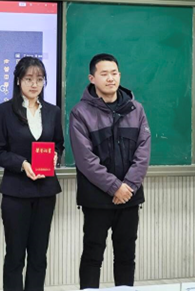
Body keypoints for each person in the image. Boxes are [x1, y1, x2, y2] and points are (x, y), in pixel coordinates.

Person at [68, 53, 151, 289]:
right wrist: (115, 187)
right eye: (104, 74)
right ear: (92, 78)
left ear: (120, 75)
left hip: (129, 197)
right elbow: (85, 159)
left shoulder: (136, 109)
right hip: (97, 198)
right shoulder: (80, 113)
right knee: (92, 255)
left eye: (114, 73)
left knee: (126, 255)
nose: (110, 78)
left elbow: (143, 151)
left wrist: (129, 187)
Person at [0, 56, 64, 291]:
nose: (34, 84)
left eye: (39, 79)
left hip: (45, 192)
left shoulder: (53, 112)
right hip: (16, 193)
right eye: (29, 79)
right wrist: (22, 164)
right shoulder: (4, 111)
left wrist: (56, 156)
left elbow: (59, 144)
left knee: (39, 256)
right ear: (18, 80)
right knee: (15, 256)